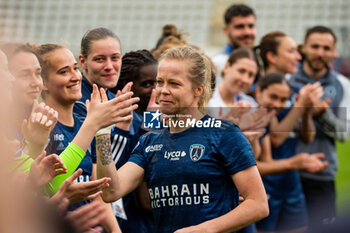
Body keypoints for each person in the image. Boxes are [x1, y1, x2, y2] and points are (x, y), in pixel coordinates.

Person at [96, 45, 269, 233]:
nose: (163, 90)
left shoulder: (225, 134)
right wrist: (102, 133)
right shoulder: (149, 142)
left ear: (198, 90)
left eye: (174, 84)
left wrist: (203, 230)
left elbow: (258, 204)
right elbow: (111, 191)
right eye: (160, 82)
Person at [36, 43, 138, 232]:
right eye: (64, 72)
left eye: (75, 68)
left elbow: (99, 193)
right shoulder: (39, 129)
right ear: (44, 83)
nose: (75, 77)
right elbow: (35, 195)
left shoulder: (84, 124)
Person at [288, 25, 350, 231]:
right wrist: (303, 111)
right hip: (287, 172)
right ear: (303, 47)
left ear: (334, 52)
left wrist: (323, 114)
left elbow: (344, 133)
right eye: (315, 46)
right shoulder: (288, 79)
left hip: (322, 175)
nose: (320, 53)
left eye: (326, 48)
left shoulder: (342, 84)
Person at [254, 72, 328, 233]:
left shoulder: (288, 102)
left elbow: (308, 138)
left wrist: (306, 112)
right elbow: (277, 139)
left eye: (282, 99)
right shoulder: (259, 111)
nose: (297, 56)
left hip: (291, 184)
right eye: (290, 51)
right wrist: (301, 104)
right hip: (268, 186)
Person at [109, 49, 158, 232]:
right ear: (126, 86)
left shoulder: (151, 115)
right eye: (147, 84)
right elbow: (144, 198)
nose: (155, 90)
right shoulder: (126, 121)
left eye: (157, 82)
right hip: (131, 221)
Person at [212, 4, 256, 85]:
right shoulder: (217, 64)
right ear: (226, 30)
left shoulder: (259, 61)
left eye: (251, 26)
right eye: (240, 27)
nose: (247, 32)